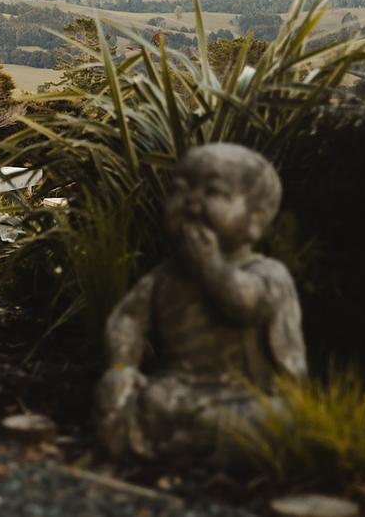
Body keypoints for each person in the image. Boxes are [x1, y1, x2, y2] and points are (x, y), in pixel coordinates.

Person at [95, 143, 306, 460]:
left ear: (255, 219)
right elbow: (127, 320)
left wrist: (212, 267)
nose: (191, 202)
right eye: (181, 190)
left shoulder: (267, 273)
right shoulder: (165, 277)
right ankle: (180, 441)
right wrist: (122, 367)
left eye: (214, 192)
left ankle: (188, 443)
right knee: (136, 399)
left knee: (273, 421)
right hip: (179, 390)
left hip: (245, 396)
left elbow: (244, 305)